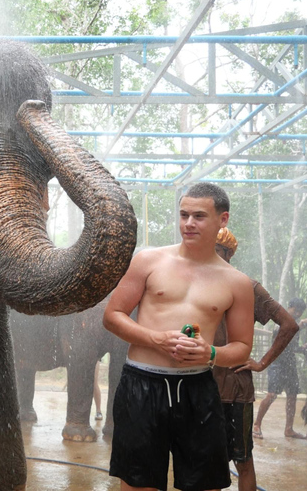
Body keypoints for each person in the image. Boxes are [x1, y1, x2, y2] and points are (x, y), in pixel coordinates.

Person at [103, 182, 254, 491]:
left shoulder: (237, 283)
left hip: (198, 389)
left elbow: (242, 348)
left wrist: (210, 354)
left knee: (205, 485)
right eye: (184, 214)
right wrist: (156, 339)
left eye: (199, 216)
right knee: (137, 485)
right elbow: (112, 316)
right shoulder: (149, 261)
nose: (188, 223)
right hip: (142, 386)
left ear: (222, 219)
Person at [212, 227, 299, 491]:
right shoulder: (195, 283)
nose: (209, 255)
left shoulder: (247, 287)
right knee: (205, 462)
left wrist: (262, 363)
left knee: (243, 460)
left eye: (215, 250)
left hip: (235, 390)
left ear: (228, 254)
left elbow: (289, 324)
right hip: (202, 387)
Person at [252, 297, 307, 441]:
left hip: (290, 364)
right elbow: (281, 340)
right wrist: (299, 327)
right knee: (271, 395)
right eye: (296, 310)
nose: (298, 313)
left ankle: (289, 429)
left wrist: (302, 348)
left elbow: (292, 347)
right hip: (277, 363)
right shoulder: (282, 321)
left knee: (292, 395)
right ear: (290, 307)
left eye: (301, 311)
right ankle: (257, 424)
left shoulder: (295, 325)